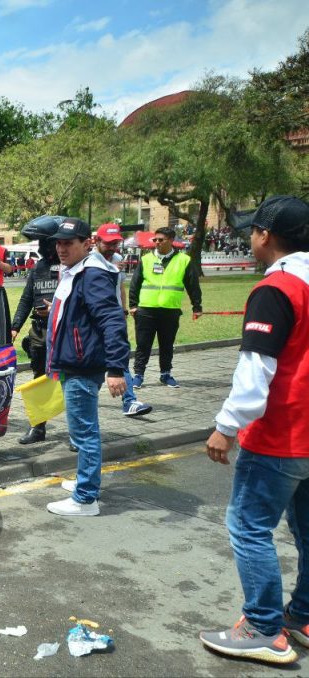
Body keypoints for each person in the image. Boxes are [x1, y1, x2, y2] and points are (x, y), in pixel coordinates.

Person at [199, 196, 309, 665]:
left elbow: (255, 372)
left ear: (265, 235)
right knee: (307, 530)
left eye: (253, 231)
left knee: (248, 526)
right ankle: (301, 615)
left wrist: (225, 426)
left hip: (282, 432)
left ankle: (264, 627)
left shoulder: (277, 289)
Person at [44, 218, 128, 517]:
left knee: (84, 433)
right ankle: (85, 481)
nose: (62, 248)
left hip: (82, 365)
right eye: (59, 243)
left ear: (86, 243)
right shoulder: (75, 271)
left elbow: (113, 320)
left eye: (69, 243)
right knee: (81, 431)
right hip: (74, 361)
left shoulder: (91, 274)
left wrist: (117, 368)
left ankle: (85, 498)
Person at [129, 226, 203, 388]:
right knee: (143, 345)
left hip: (170, 310)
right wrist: (133, 306)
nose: (156, 243)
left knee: (167, 344)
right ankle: (138, 375)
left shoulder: (184, 260)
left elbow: (193, 285)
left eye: (160, 240)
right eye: (155, 240)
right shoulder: (146, 259)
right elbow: (135, 283)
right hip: (146, 310)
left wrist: (197, 306)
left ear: (171, 241)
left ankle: (165, 374)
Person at [92, 224, 153, 418]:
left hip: (114, 317)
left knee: (120, 357)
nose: (112, 247)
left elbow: (121, 287)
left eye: (115, 243)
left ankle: (129, 401)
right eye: (108, 243)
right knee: (90, 365)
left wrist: (123, 310)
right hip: (94, 320)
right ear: (96, 241)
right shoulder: (89, 260)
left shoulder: (118, 259)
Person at [10, 236, 60, 444]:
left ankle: (78, 433)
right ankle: (38, 428)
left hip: (62, 330)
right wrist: (15, 327)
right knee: (39, 379)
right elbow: (26, 300)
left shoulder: (69, 267)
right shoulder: (37, 268)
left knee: (69, 379)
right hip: (39, 332)